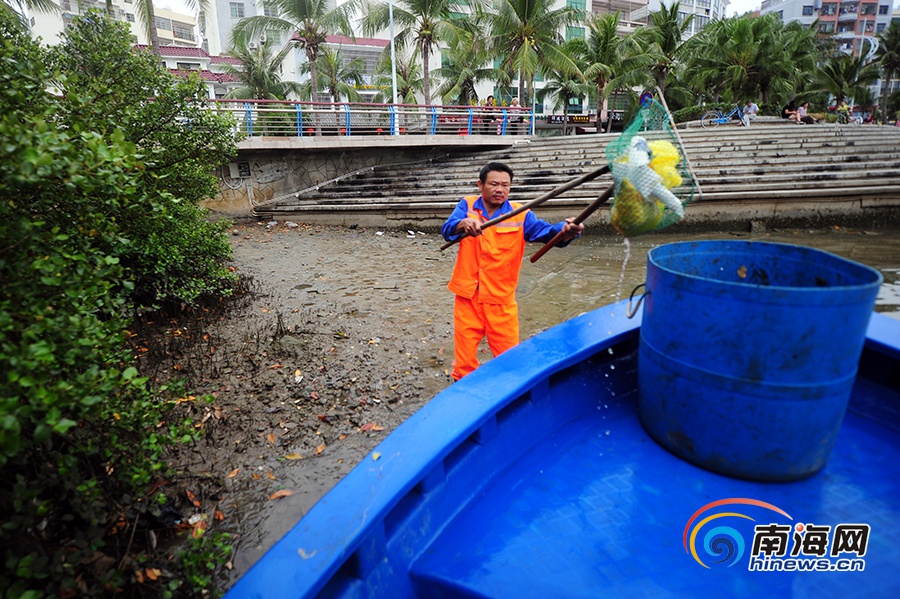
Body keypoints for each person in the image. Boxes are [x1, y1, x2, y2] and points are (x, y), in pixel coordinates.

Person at [441, 162, 584, 381]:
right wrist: (463, 224)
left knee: (510, 361)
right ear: (481, 185)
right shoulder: (467, 205)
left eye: (505, 185)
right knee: (464, 361)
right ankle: (465, 395)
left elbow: (546, 233)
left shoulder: (520, 214)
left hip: (501, 299)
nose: (500, 190)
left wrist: (566, 232)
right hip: (468, 296)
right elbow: (447, 229)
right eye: (494, 184)